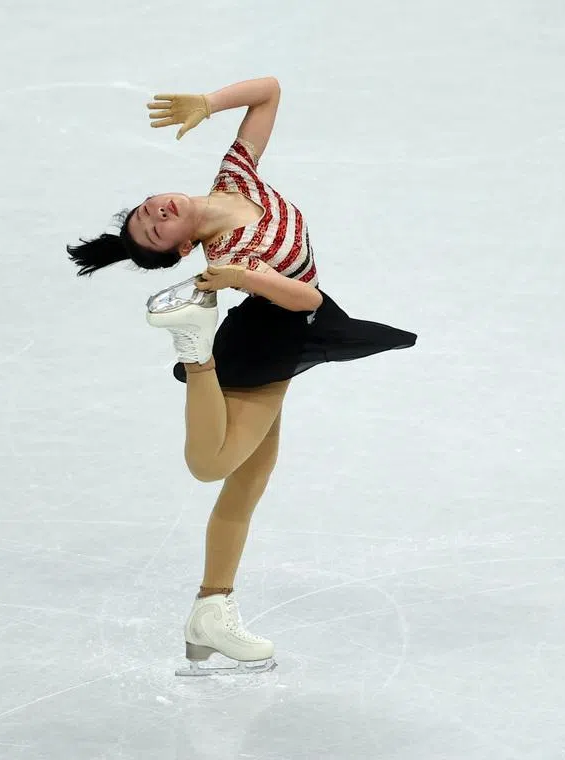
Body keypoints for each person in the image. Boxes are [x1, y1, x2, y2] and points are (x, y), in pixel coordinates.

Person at [66, 76, 416, 674]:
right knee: (214, 466)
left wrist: (207, 104)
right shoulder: (229, 255)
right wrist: (239, 280)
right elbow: (305, 300)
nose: (157, 213)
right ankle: (196, 350)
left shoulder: (234, 177)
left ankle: (211, 610)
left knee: (249, 481)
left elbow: (270, 92)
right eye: (156, 230)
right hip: (271, 335)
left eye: (148, 210)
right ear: (181, 251)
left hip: (275, 326)